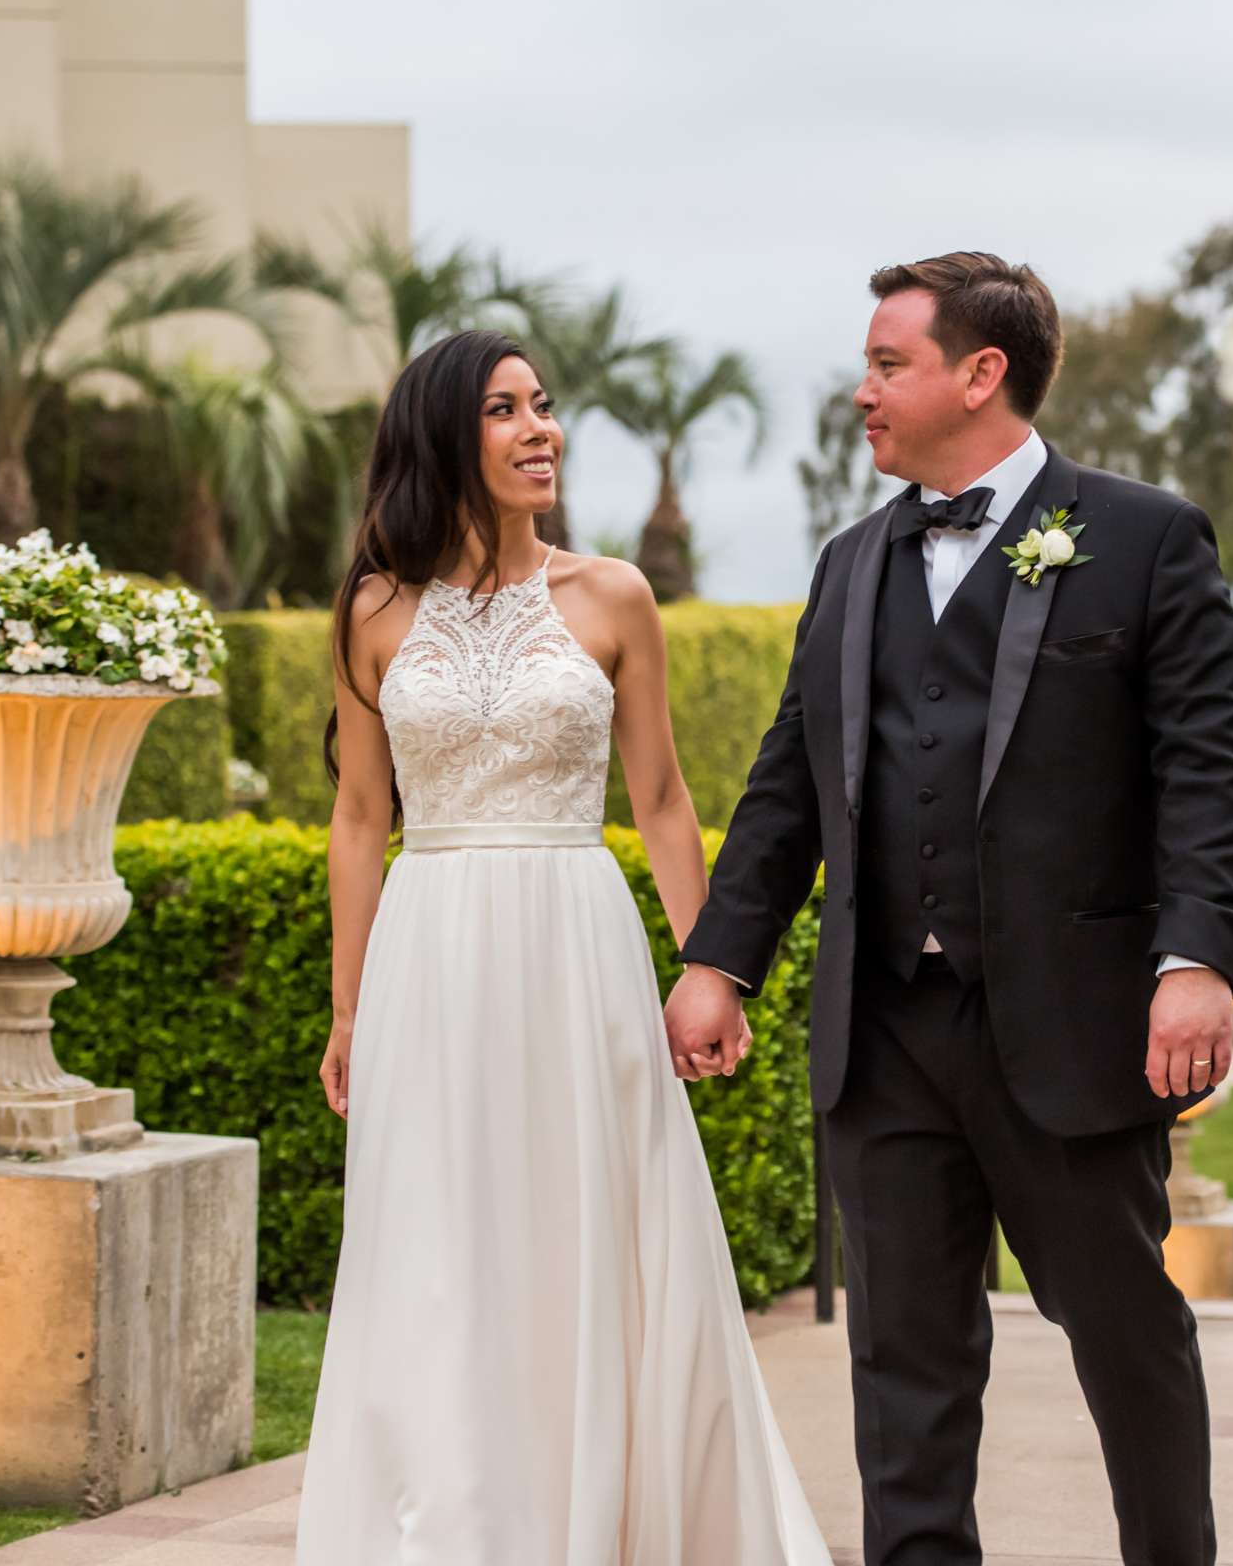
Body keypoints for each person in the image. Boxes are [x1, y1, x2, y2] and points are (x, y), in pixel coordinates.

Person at [665, 252, 1233, 1566]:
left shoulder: (1145, 538)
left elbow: (1207, 778)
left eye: (889, 366)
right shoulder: (849, 563)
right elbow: (789, 789)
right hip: (883, 1041)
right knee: (905, 1373)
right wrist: (722, 961)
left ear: (980, 374)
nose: (863, 395)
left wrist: (1195, 961)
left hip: (1070, 1028)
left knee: (1126, 1342)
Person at [293, 329, 830, 1565]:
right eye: (504, 409)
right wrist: (347, 1010)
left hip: (574, 942)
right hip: (430, 953)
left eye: (544, 405)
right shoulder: (373, 611)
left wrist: (712, 970)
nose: (541, 429)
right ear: (445, 437)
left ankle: (617, 1516)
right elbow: (361, 817)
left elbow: (662, 799)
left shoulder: (614, 595)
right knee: (440, 1238)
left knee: (596, 1222)